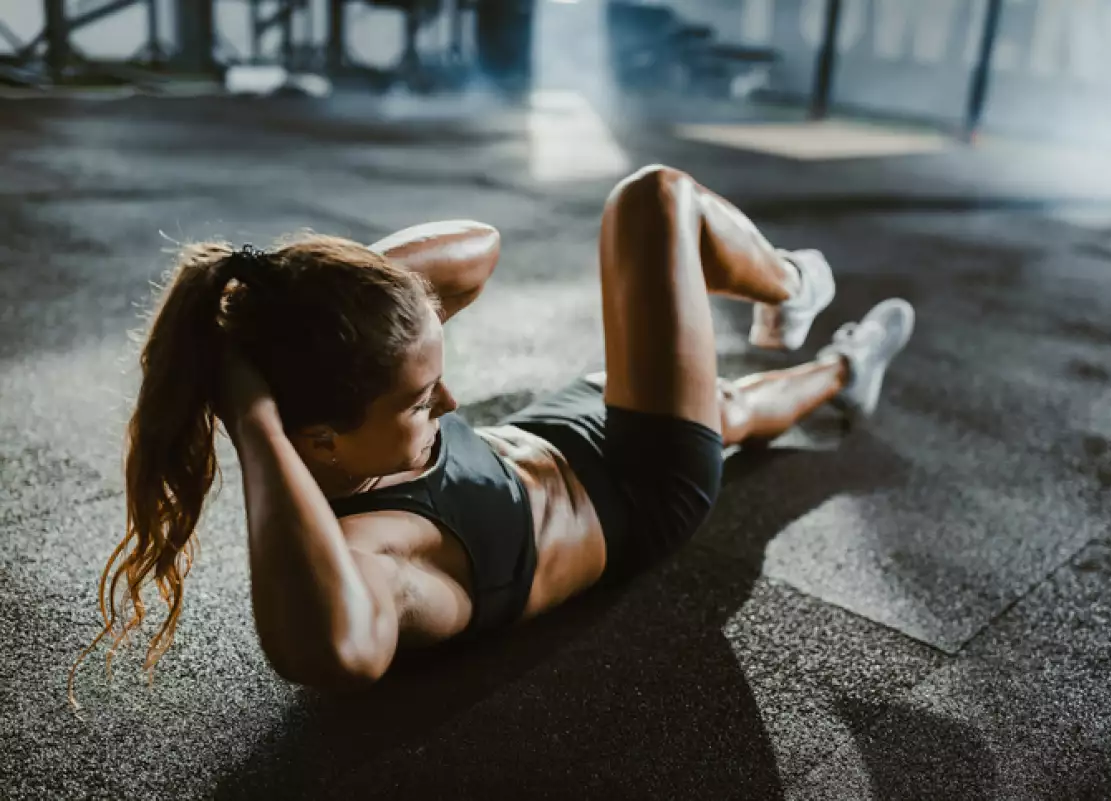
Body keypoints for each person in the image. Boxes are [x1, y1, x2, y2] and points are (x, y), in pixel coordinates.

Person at [67, 165, 913, 704]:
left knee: (727, 406)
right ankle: (817, 324)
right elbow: (329, 649)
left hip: (560, 427)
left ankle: (835, 346)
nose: (450, 400)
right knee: (654, 201)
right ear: (316, 442)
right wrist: (252, 418)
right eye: (417, 401)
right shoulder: (371, 554)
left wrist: (319, 298)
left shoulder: (345, 412)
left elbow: (480, 249)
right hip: (645, 486)